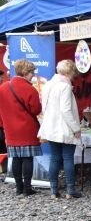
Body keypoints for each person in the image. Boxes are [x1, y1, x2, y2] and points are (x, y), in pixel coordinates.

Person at [38, 59, 83, 199]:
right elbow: (66, 110)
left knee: (55, 158)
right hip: (64, 127)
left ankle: (53, 191)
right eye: (73, 73)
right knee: (68, 158)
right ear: (70, 72)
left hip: (51, 128)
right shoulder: (65, 86)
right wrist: (76, 128)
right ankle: (70, 190)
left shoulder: (48, 85)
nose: (74, 76)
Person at [0, 59, 42, 195]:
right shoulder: (30, 89)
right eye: (31, 72)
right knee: (28, 158)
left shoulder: (3, 87)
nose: (33, 75)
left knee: (16, 158)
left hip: (10, 129)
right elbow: (36, 109)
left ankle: (19, 188)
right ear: (25, 72)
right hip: (27, 128)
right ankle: (28, 188)